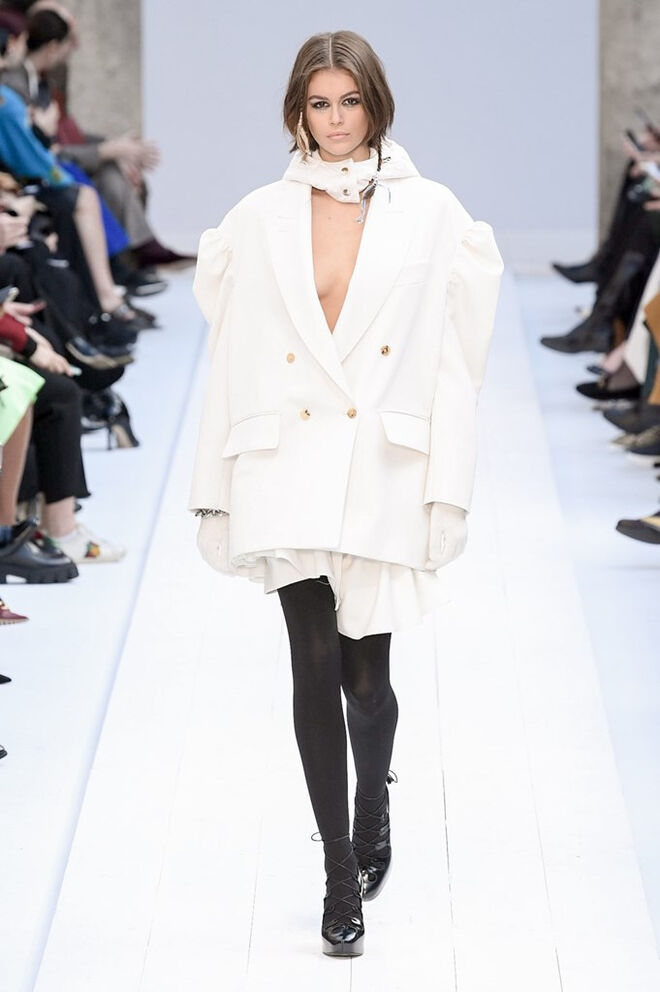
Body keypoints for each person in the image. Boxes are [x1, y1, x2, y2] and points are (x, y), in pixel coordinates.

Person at [188, 30, 504, 958]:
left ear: (376, 104)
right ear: (297, 109)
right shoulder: (256, 219)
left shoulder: (434, 215)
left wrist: (450, 485)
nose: (335, 121)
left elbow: (454, 367)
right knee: (312, 664)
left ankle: (375, 804)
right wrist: (215, 488)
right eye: (319, 103)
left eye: (350, 102)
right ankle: (337, 872)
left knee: (367, 682)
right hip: (284, 462)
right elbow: (231, 361)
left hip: (380, 467)